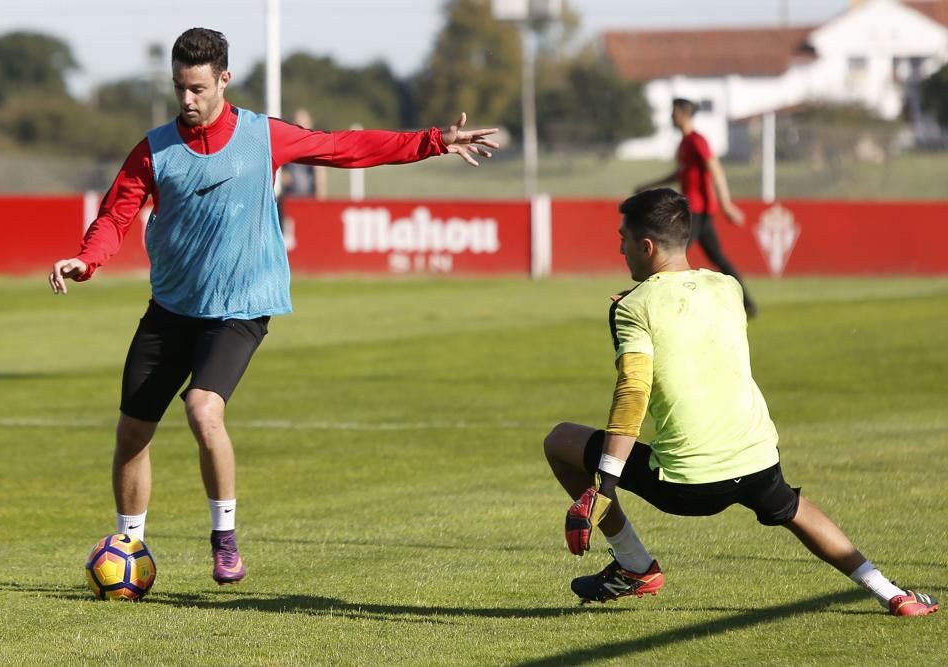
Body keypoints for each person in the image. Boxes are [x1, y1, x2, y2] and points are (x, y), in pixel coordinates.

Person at [47, 27, 498, 586]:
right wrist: (86, 261)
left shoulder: (265, 136)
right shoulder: (154, 149)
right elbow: (116, 216)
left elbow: (345, 147)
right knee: (132, 433)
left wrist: (432, 140)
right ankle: (129, 548)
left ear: (224, 81)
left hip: (241, 305)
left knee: (203, 410)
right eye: (178, 88)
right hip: (172, 309)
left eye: (196, 88)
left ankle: (224, 537)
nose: (186, 100)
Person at [543, 188, 938, 617]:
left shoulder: (632, 308)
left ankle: (634, 566)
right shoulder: (727, 287)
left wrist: (604, 487)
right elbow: (683, 310)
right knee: (792, 509)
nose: (619, 248)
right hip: (757, 462)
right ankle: (891, 593)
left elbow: (633, 393)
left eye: (622, 239)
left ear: (646, 246)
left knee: (560, 440)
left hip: (687, 485)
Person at [634, 98, 757, 316]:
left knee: (669, 255)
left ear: (683, 113)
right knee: (717, 258)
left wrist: (726, 204)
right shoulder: (684, 144)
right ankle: (748, 303)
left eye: (673, 112)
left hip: (697, 211)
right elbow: (680, 174)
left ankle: (655, 305)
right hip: (698, 212)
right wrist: (649, 186)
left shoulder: (697, 141)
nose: (671, 116)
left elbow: (716, 170)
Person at [280, 108, 327, 199]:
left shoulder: (316, 150)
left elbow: (320, 181)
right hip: (290, 201)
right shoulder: (286, 148)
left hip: (309, 201)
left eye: (303, 124)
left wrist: (320, 203)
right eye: (297, 124)